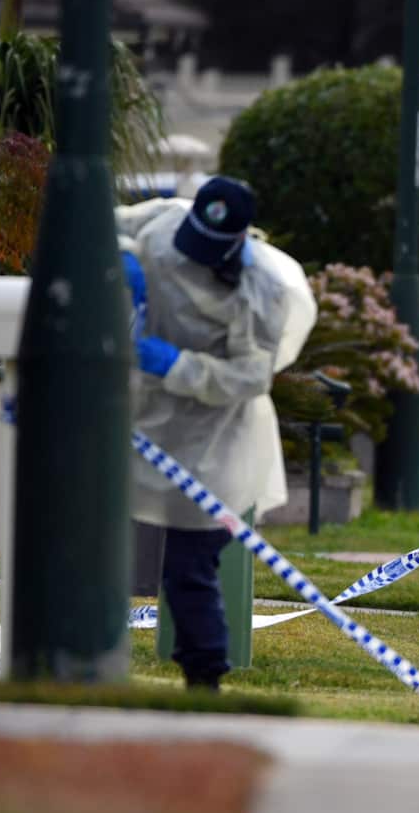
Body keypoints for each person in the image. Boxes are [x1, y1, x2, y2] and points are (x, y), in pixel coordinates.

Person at [115, 176, 313, 690]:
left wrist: (178, 364)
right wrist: (123, 257)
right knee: (94, 535)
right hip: (140, 415)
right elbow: (101, 226)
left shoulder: (260, 291)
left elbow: (250, 377)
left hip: (214, 438)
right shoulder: (162, 223)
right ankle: (76, 652)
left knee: (189, 566)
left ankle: (205, 679)